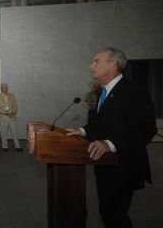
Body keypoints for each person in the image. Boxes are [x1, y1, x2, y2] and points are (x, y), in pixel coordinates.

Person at [66, 48, 157, 228]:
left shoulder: (134, 91)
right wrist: (82, 131)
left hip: (124, 165)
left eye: (96, 61)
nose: (91, 65)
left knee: (116, 216)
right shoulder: (102, 93)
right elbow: (99, 125)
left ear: (113, 65)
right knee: (107, 212)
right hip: (105, 164)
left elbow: (145, 129)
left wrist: (111, 144)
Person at [0, 83, 22, 151]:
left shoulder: (12, 96)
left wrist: (12, 112)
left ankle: (17, 146)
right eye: (3, 87)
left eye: (6, 87)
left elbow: (15, 106)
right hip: (3, 117)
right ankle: (5, 147)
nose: (5, 88)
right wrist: (5, 113)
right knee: (4, 133)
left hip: (12, 117)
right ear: (1, 89)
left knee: (15, 132)